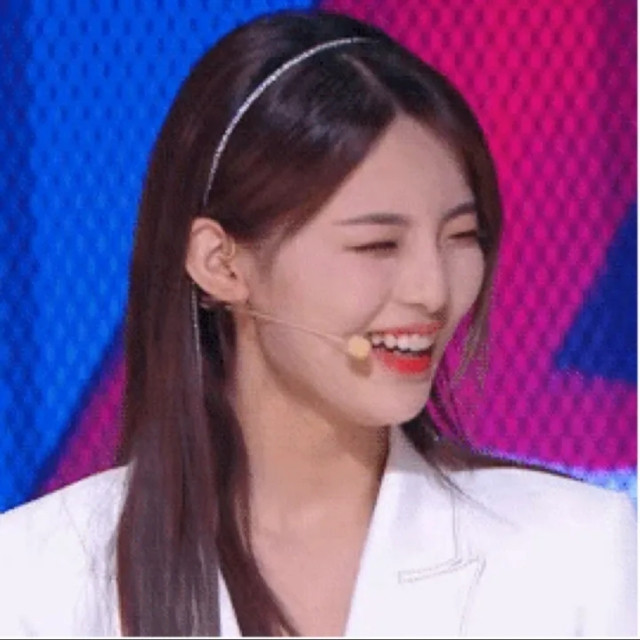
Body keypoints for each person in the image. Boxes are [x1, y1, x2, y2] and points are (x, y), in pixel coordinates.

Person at [0, 8, 636, 637]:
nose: (434, 291)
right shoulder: (37, 580)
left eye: (461, 236)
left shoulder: (577, 552)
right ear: (221, 263)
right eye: (377, 245)